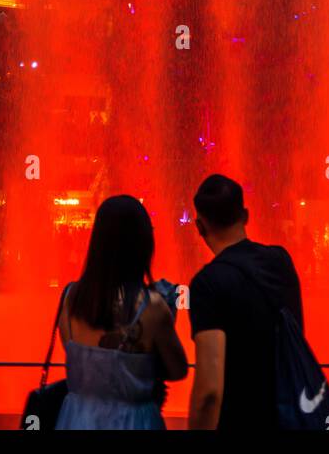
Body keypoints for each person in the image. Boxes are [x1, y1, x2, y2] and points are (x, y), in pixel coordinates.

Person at [55, 194, 188, 430]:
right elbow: (177, 370)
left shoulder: (70, 299)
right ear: (144, 245)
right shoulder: (153, 307)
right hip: (133, 422)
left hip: (76, 419)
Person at [188, 173, 304, 431]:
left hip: (239, 420)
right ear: (246, 216)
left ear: (199, 226)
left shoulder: (206, 284)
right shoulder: (280, 261)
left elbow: (209, 391)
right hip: (288, 416)